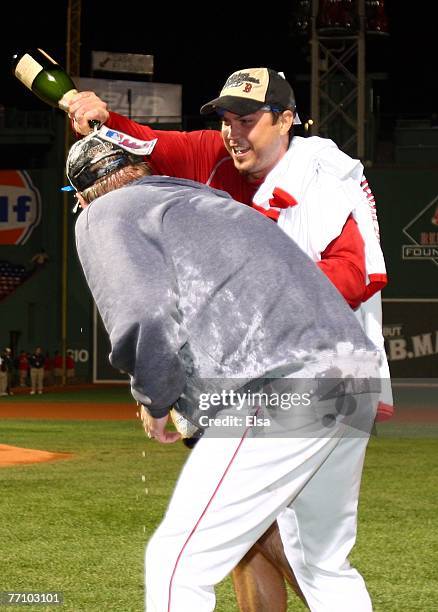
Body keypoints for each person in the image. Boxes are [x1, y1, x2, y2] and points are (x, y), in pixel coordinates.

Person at [68, 68, 392, 611]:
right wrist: (103, 118)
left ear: (287, 119)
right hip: (340, 377)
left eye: (247, 118)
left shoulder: (323, 173)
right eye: (225, 119)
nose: (232, 131)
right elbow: (151, 145)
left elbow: (359, 274)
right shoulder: (209, 166)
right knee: (315, 562)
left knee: (178, 562)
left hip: (287, 376)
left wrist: (158, 393)